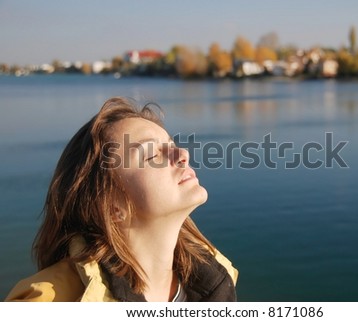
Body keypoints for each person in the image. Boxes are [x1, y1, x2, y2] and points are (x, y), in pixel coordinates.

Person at [5, 97, 238, 302]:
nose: (183, 154)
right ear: (111, 205)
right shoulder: (49, 303)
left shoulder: (216, 280)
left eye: (171, 145)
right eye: (152, 154)